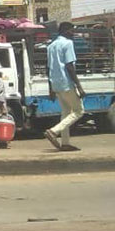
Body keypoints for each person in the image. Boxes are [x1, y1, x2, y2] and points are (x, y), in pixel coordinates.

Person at [45, 22, 86, 151]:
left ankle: (65, 143)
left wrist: (51, 88)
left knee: (66, 112)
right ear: (65, 30)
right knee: (79, 111)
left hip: (56, 84)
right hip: (66, 83)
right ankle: (53, 131)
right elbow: (69, 66)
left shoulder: (51, 46)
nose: (72, 33)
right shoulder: (68, 44)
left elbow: (48, 69)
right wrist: (79, 86)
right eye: (71, 30)